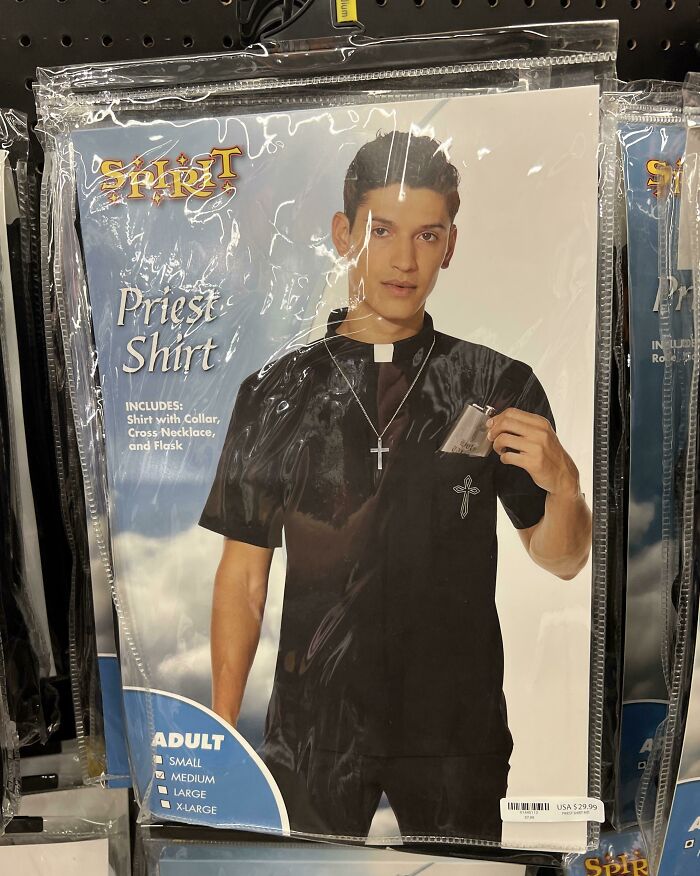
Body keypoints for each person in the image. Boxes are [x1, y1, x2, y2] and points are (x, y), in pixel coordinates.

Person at [199, 131, 592, 841]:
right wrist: (224, 732)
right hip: (313, 737)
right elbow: (243, 578)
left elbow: (562, 559)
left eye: (427, 235)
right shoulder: (277, 391)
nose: (404, 260)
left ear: (451, 244)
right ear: (343, 233)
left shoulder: (496, 383)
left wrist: (564, 484)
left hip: (455, 736)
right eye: (382, 231)